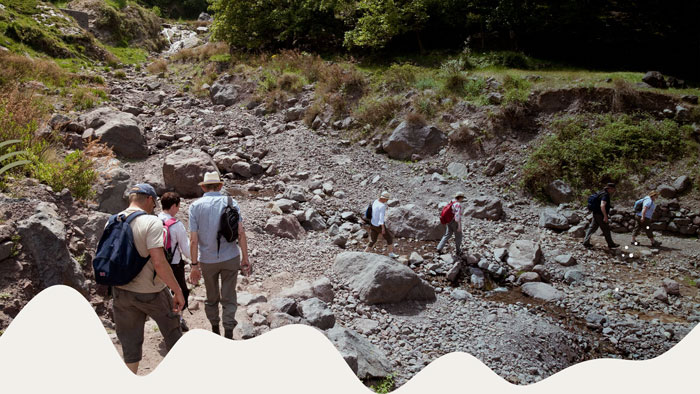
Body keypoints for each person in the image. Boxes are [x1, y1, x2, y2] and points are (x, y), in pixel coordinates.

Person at [112, 184, 185, 374]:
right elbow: (159, 263)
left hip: (120, 291)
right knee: (172, 334)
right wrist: (177, 291)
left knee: (129, 343)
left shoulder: (113, 220)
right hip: (151, 292)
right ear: (150, 200)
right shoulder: (152, 222)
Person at [188, 172, 251, 339]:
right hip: (230, 256)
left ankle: (215, 328)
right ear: (220, 186)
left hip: (207, 260)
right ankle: (228, 330)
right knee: (229, 294)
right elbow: (241, 233)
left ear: (203, 187)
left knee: (211, 295)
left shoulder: (195, 206)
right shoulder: (231, 202)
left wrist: (194, 266)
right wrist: (245, 257)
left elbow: (193, 240)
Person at [158, 191, 193, 332]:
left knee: (162, 292)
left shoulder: (153, 220)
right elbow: (185, 249)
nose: (178, 209)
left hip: (157, 263)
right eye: (178, 206)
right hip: (174, 264)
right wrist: (196, 261)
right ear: (173, 206)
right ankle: (178, 319)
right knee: (181, 292)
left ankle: (164, 320)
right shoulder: (177, 225)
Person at [583, 183, 620, 249]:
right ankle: (611, 244)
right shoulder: (605, 195)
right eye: (613, 189)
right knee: (606, 229)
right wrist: (605, 216)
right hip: (600, 215)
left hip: (595, 213)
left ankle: (585, 242)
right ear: (610, 189)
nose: (614, 191)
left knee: (592, 228)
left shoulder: (600, 192)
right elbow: (602, 205)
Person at [364, 191, 398, 258]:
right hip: (379, 225)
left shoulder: (375, 201)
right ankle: (390, 253)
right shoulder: (382, 206)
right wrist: (382, 228)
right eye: (387, 199)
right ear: (384, 198)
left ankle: (364, 253)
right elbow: (381, 218)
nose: (387, 200)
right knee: (389, 238)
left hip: (372, 224)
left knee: (373, 240)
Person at [436, 191, 466, 256]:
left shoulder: (451, 201)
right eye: (462, 198)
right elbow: (457, 216)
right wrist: (459, 226)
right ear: (460, 197)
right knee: (458, 236)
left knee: (447, 234)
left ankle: (439, 248)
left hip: (448, 221)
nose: (463, 199)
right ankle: (458, 251)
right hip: (454, 222)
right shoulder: (458, 204)